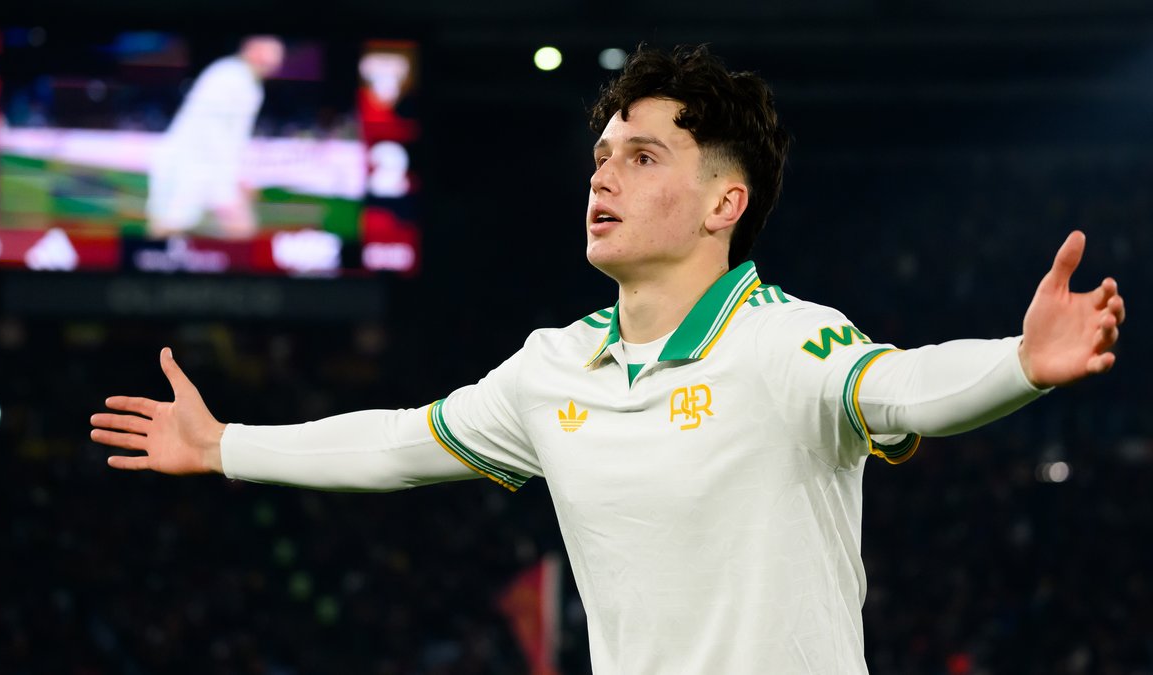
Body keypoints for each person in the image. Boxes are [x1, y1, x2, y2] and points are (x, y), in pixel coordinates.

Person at [92, 45, 1126, 673]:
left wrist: (1018, 363)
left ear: (725, 203)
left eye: (643, 157)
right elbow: (402, 443)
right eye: (601, 157)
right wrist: (224, 445)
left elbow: (899, 389)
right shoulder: (552, 368)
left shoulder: (785, 340)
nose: (604, 178)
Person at [145, 36, 284, 239]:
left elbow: (232, 136)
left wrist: (236, 175)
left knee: (240, 230)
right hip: (188, 165)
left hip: (209, 168)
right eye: (272, 55)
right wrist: (231, 177)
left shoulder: (246, 82)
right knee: (167, 230)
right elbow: (210, 130)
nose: (275, 64)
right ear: (251, 50)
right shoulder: (228, 76)